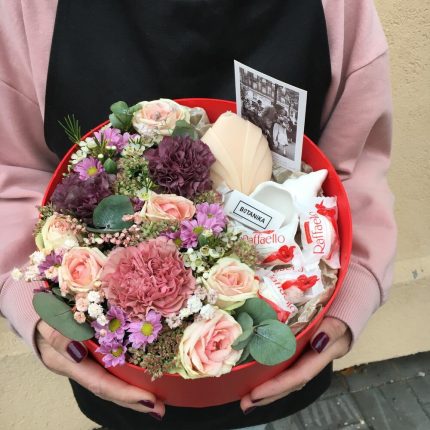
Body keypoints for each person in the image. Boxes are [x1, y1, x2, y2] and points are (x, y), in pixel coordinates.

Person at [0, 1, 396, 429]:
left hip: (278, 359)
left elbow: (351, 169)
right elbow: (13, 172)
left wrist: (351, 293)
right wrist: (37, 312)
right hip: (116, 363)